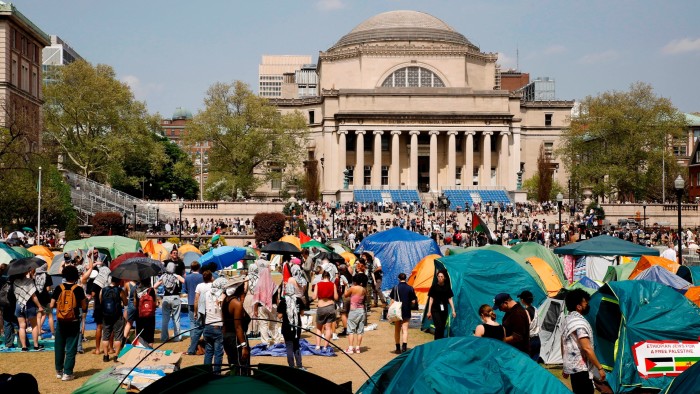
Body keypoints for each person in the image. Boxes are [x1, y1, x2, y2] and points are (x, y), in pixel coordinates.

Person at [562, 289, 606, 394]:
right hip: (582, 370)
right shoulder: (579, 323)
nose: (588, 304)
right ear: (579, 306)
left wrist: (566, 365)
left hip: (573, 368)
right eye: (585, 302)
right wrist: (599, 368)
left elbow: (563, 345)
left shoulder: (568, 320)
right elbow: (586, 348)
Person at [51, 265, 87, 382]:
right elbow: (84, 305)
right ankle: (68, 372)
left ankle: (59, 371)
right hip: (74, 320)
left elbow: (51, 305)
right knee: (71, 347)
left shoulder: (58, 288)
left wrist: (62, 308)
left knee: (59, 345)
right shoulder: (78, 289)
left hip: (61, 320)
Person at [222, 275, 250, 376]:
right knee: (241, 369)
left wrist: (224, 341)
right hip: (237, 339)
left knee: (233, 366)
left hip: (228, 338)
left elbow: (224, 323)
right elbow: (238, 327)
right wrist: (244, 346)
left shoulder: (225, 301)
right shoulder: (237, 304)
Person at [278, 276, 305, 370]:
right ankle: (300, 364)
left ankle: (291, 366)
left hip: (286, 326)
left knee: (289, 346)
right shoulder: (298, 300)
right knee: (296, 345)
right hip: (297, 326)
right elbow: (302, 313)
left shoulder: (283, 302)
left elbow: (279, 316)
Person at [12, 269, 43, 351]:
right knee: (34, 326)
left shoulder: (15, 282)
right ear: (25, 272)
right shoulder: (29, 281)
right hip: (29, 305)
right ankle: (36, 346)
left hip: (18, 305)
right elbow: (34, 297)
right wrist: (39, 306)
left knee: (21, 327)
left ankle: (24, 347)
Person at [153, 262, 185, 342]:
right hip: (175, 298)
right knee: (176, 318)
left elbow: (155, 286)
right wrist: (176, 275)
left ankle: (164, 337)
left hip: (166, 298)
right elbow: (184, 281)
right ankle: (177, 337)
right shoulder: (176, 276)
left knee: (165, 319)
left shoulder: (164, 276)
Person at [253, 260, 281, 347]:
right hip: (273, 306)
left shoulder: (259, 285)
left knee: (263, 325)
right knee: (274, 324)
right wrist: (279, 309)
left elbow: (256, 299)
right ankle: (276, 341)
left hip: (261, 307)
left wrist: (255, 310)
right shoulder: (273, 284)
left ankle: (265, 343)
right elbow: (277, 298)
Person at [203, 277, 228, 374]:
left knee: (208, 351)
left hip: (208, 324)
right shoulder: (222, 296)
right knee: (218, 353)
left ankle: (206, 373)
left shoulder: (206, 294)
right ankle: (216, 373)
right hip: (218, 326)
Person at [388, 273, 417, 354]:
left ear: (398, 278)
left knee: (397, 329)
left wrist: (389, 310)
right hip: (406, 310)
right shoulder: (410, 288)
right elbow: (413, 301)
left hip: (397, 311)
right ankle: (404, 347)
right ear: (406, 278)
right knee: (405, 330)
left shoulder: (395, 288)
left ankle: (397, 347)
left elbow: (392, 300)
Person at [100, 276, 126, 362]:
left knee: (105, 336)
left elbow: (101, 302)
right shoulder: (120, 290)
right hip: (117, 316)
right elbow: (125, 302)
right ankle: (116, 356)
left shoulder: (103, 290)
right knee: (118, 336)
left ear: (111, 280)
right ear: (119, 282)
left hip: (106, 316)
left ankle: (106, 356)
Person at [310, 271, 337, 350]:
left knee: (319, 328)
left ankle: (318, 345)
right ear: (329, 277)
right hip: (330, 307)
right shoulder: (333, 284)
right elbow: (336, 297)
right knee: (328, 328)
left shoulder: (318, 284)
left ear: (322, 277)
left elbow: (314, 297)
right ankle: (325, 346)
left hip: (321, 307)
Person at [188, 270, 213, 355]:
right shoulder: (213, 286)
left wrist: (195, 312)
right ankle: (209, 348)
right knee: (209, 329)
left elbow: (196, 300)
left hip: (201, 310)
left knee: (198, 330)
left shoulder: (199, 286)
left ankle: (191, 349)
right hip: (210, 310)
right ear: (211, 277)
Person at [426, 269, 456, 340]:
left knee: (442, 326)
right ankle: (436, 341)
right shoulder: (434, 287)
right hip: (435, 309)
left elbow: (450, 299)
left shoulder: (447, 287)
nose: (440, 278)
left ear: (444, 278)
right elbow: (431, 299)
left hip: (444, 308)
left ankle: (440, 342)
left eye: (441, 276)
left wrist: (453, 310)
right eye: (439, 276)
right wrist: (429, 311)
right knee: (438, 325)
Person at [344, 274, 367, 354]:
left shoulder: (353, 288)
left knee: (351, 330)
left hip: (353, 310)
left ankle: (350, 348)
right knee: (360, 331)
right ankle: (357, 348)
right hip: (361, 311)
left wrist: (345, 287)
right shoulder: (364, 289)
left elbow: (346, 295)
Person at [184, 261, 203, 353]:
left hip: (191, 301)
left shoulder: (187, 277)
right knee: (200, 323)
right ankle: (197, 342)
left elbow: (186, 290)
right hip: (200, 302)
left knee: (192, 322)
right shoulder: (202, 277)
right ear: (199, 267)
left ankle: (193, 342)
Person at [518, 290, 541, 362]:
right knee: (535, 363)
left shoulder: (525, 311)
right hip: (537, 338)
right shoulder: (535, 309)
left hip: (529, 340)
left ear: (522, 300)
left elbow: (526, 325)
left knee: (528, 363)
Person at [34, 264, 54, 340]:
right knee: (50, 316)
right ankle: (53, 334)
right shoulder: (47, 276)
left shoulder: (35, 276)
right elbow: (48, 289)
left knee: (38, 317)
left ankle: (39, 335)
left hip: (37, 299)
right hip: (46, 298)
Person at [135, 282, 157, 347]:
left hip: (140, 315)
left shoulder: (136, 290)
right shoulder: (151, 290)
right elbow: (154, 302)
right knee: (150, 336)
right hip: (150, 315)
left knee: (140, 334)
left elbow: (135, 302)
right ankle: (149, 351)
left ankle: (140, 351)